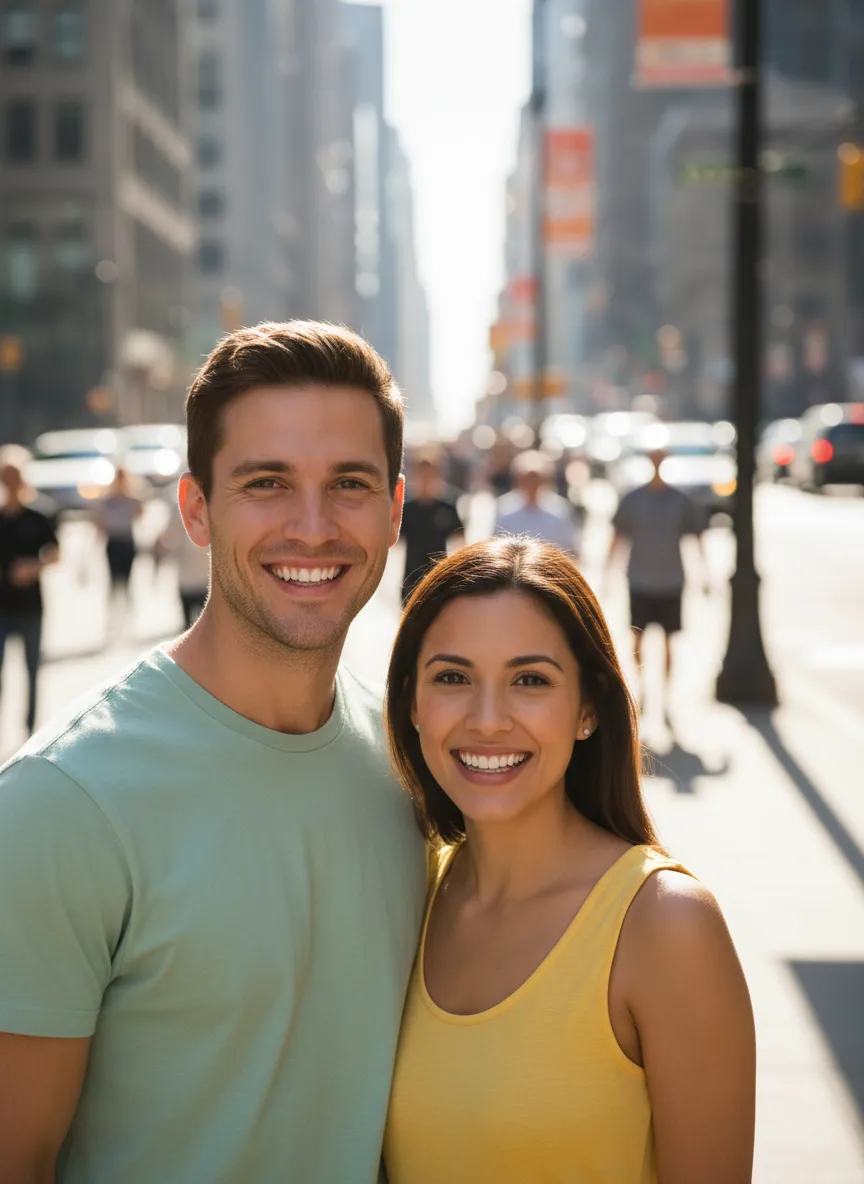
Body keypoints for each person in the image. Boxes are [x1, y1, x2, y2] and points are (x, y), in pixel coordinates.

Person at [0, 321, 427, 1183]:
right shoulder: (59, 801)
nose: (313, 527)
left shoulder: (413, 770)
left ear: (393, 512)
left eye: (349, 484)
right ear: (196, 510)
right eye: (267, 483)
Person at [382, 536, 756, 1184]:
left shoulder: (665, 928)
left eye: (530, 680)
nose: (488, 719)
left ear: (588, 708)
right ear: (413, 701)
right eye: (453, 677)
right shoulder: (406, 888)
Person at [608, 448, 708, 714]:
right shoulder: (633, 499)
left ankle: (664, 692)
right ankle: (641, 686)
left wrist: (704, 571)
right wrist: (609, 570)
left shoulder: (679, 500)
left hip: (670, 580)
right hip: (640, 579)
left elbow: (697, 535)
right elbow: (617, 534)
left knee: (668, 640)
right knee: (636, 639)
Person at [0, 451, 59, 736]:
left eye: (14, 476)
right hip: (2, 607)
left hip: (31, 607)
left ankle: (30, 728)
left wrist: (32, 567)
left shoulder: (37, 517)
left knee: (32, 670)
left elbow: (55, 554)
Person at [400, 453, 464, 604]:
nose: (425, 478)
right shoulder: (407, 508)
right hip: (411, 576)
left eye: (429, 473)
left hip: (439, 574)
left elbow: (460, 539)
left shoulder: (446, 507)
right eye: (422, 473)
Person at [494, 449, 581, 556]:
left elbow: (570, 548)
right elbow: (495, 545)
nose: (531, 483)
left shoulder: (559, 510)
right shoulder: (504, 508)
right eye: (527, 478)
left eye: (536, 478)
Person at [95, 465, 143, 635]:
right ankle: (113, 618)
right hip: (113, 543)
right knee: (114, 582)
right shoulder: (108, 501)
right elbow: (99, 522)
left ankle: (129, 619)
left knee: (128, 582)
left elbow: (140, 513)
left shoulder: (132, 499)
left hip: (127, 542)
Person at [157, 488, 211, 628]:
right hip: (191, 569)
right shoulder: (179, 507)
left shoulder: (211, 505)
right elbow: (169, 534)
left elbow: (168, 534)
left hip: (201, 570)